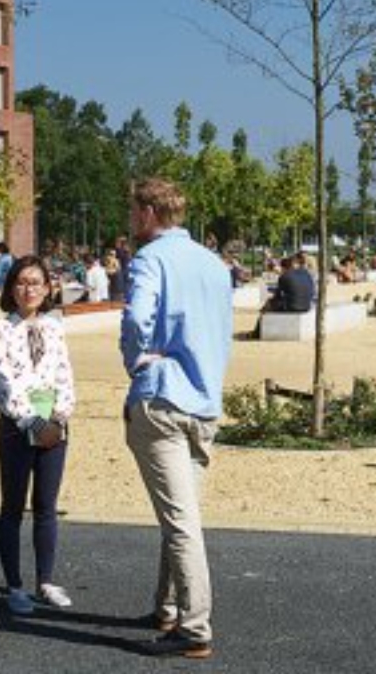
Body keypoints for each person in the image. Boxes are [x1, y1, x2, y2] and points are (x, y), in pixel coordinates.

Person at [119, 178, 233, 659]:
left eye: (133, 211)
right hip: (204, 401)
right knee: (181, 513)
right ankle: (168, 607)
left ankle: (194, 626)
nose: (130, 219)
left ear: (148, 213)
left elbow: (135, 318)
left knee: (180, 520)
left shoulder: (149, 259)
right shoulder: (214, 264)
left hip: (163, 397)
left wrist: (135, 359)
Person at [0, 255, 76, 616]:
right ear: (11, 287)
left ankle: (46, 580)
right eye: (22, 282)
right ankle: (14, 585)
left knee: (46, 507)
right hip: (18, 427)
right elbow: (3, 383)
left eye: (36, 282)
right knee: (12, 506)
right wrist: (33, 422)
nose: (29, 290)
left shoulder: (55, 327)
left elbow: (64, 374)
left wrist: (59, 416)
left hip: (54, 425)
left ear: (48, 287)